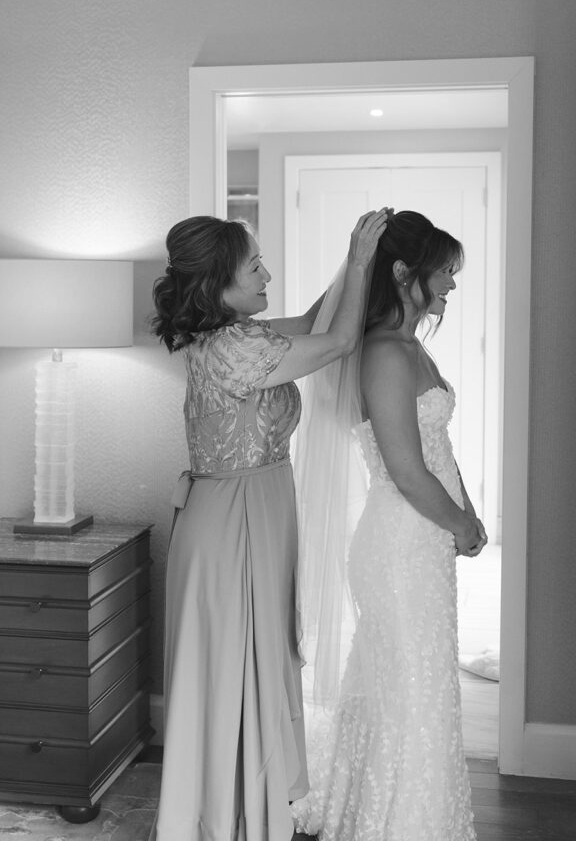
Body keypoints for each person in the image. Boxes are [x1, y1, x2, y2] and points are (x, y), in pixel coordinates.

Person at [149, 208, 388, 841]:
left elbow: (315, 322)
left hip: (254, 508)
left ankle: (248, 805)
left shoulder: (237, 332)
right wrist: (362, 261)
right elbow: (336, 342)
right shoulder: (235, 346)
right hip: (233, 523)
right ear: (217, 284)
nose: (268, 273)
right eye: (253, 266)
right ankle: (228, 814)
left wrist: (351, 258)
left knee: (255, 656)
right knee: (234, 662)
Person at [292, 210, 487, 841]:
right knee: (412, 687)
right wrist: (458, 523)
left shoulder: (410, 347)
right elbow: (406, 470)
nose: (452, 286)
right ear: (405, 273)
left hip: (421, 543)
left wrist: (468, 513)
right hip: (400, 545)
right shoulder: (381, 353)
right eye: (444, 273)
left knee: (415, 683)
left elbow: (437, 447)